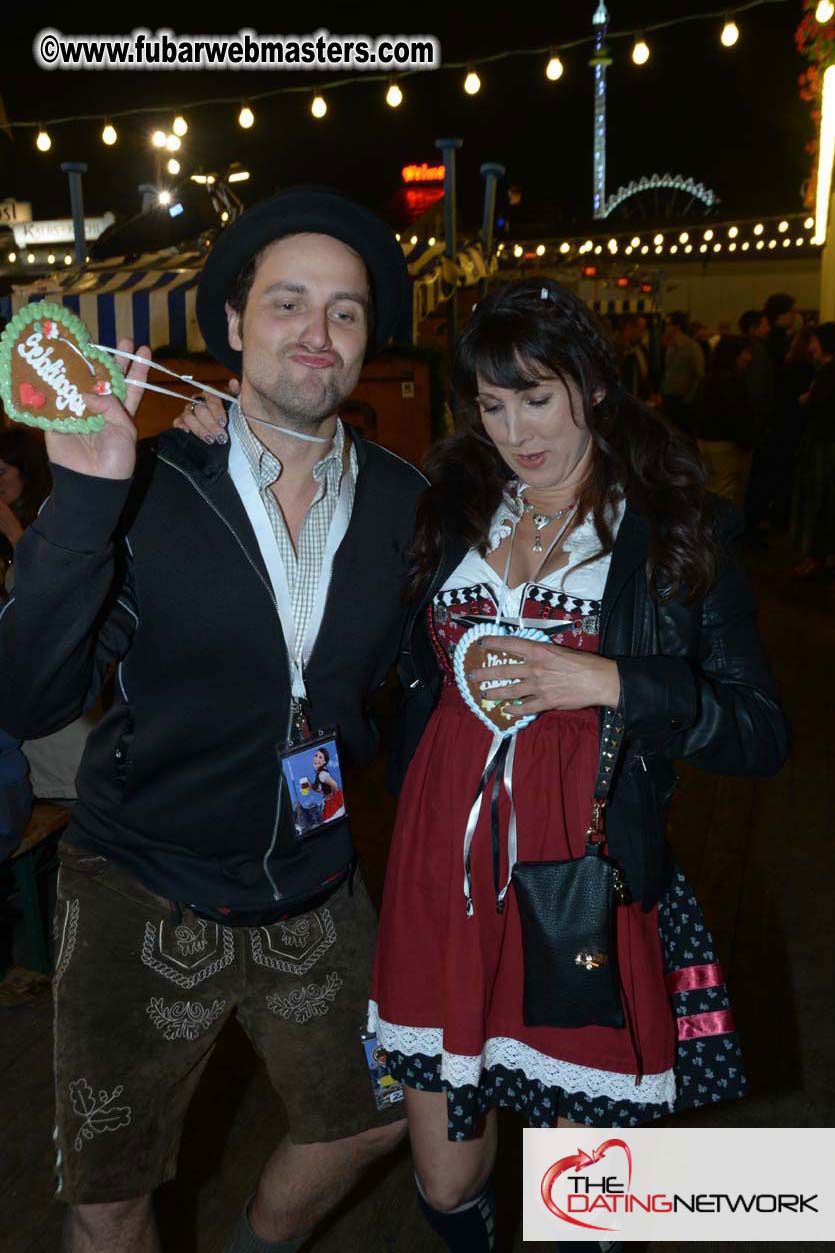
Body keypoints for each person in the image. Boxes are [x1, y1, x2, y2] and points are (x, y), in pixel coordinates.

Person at [0, 188, 428, 1253]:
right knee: (106, 1201)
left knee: (379, 1115)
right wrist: (86, 501)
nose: (317, 333)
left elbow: (421, 686)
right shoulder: (147, 486)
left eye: (344, 310)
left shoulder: (406, 506)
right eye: (287, 303)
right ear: (232, 325)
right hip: (140, 883)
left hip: (316, 885)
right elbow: (28, 697)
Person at [369, 279, 789, 1253]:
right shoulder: (450, 511)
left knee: (585, 1201)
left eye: (537, 396)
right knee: (443, 1174)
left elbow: (759, 731)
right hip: (446, 867)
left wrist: (606, 680)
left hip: (580, 879)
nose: (515, 428)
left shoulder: (674, 531)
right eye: (490, 403)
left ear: (592, 386)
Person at [790, 321, 835, 578]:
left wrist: (807, 401)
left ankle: (817, 557)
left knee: (819, 503)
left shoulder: (828, 373)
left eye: (814, 341)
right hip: (823, 444)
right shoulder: (825, 371)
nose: (810, 346)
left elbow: (821, 408)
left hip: (823, 446)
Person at [694, 334, 755, 510]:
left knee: (710, 491)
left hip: (705, 443)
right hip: (727, 447)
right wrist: (747, 441)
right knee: (725, 497)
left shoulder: (708, 378)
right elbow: (737, 417)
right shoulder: (732, 381)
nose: (748, 357)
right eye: (745, 352)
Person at [660, 310, 704, 430]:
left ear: (677, 327)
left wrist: (689, 398)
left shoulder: (692, 347)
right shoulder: (670, 347)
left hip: (682, 400)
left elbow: (699, 374)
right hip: (668, 396)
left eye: (668, 325)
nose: (666, 328)